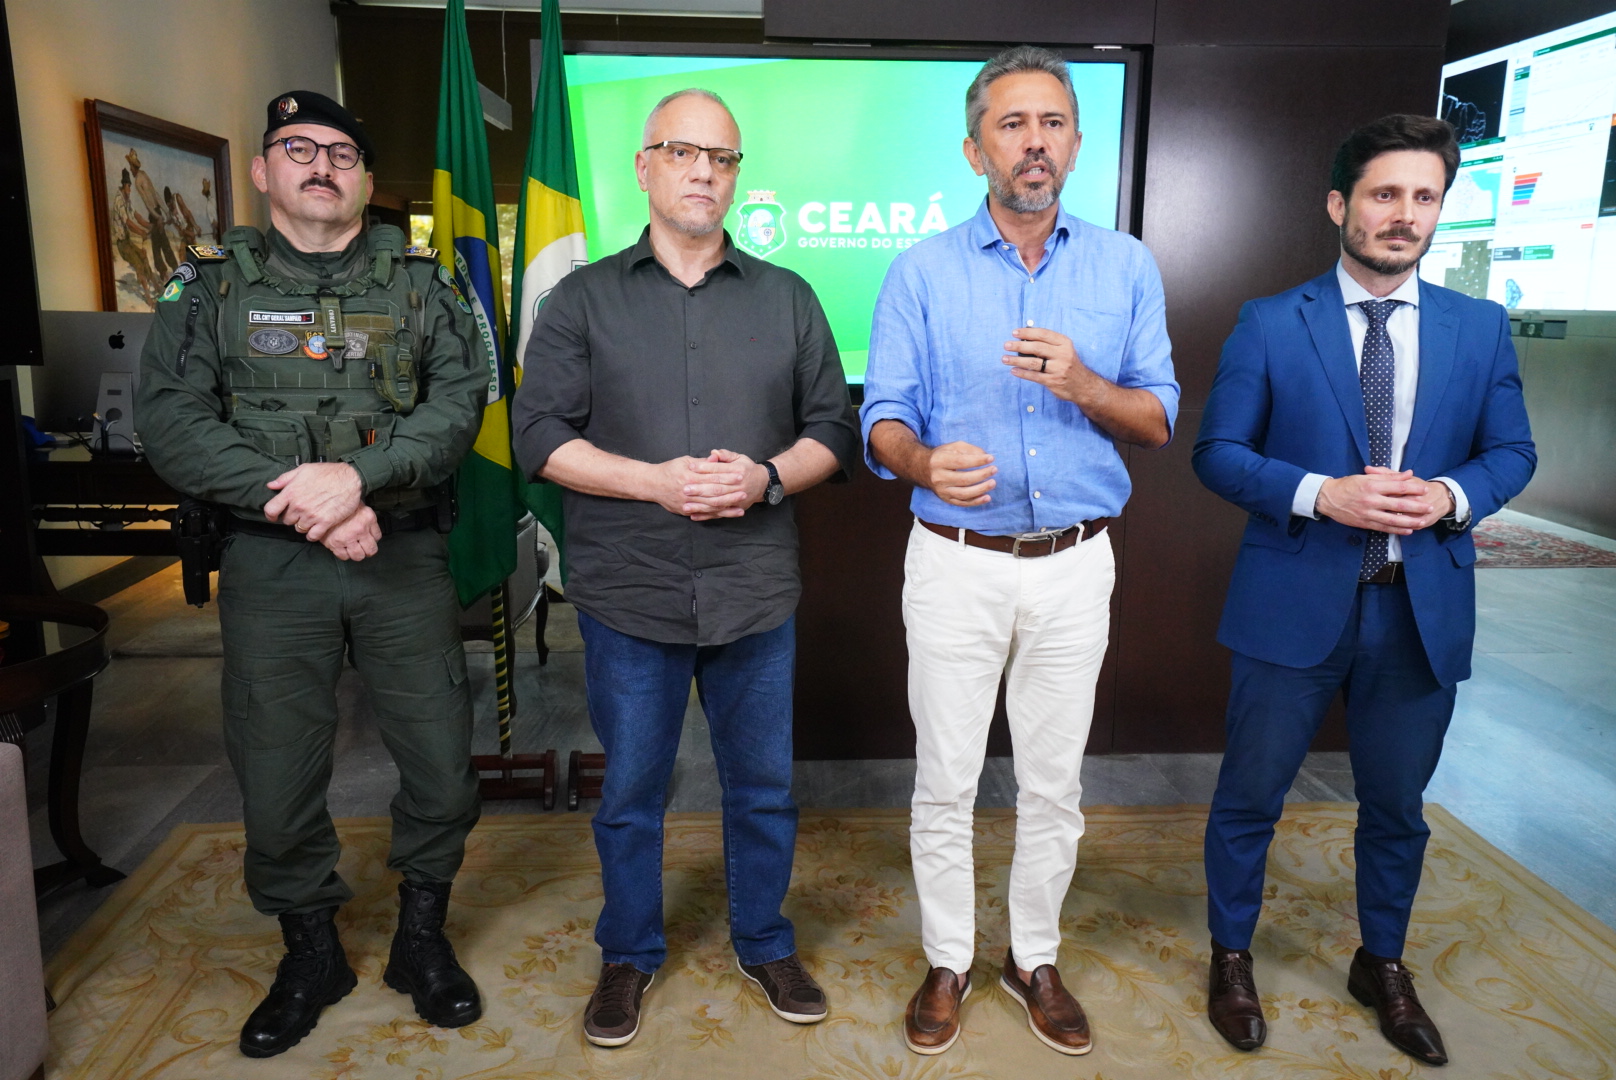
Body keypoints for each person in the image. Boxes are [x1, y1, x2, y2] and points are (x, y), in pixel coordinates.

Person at [136, 90, 491, 1058]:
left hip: (400, 554)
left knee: (440, 757)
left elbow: (458, 406)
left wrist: (358, 479)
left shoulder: (423, 282)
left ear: (367, 181)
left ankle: (421, 939)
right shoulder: (208, 287)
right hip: (271, 561)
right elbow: (170, 421)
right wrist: (303, 501)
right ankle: (310, 953)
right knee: (275, 764)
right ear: (262, 171)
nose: (321, 166)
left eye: (341, 153)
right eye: (298, 149)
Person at [511, 87, 859, 1048]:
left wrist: (765, 478)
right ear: (644, 167)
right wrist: (654, 483)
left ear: (737, 174)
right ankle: (628, 953)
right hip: (630, 593)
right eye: (681, 151)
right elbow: (538, 436)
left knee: (764, 789)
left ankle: (764, 941)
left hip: (755, 592)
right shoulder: (582, 300)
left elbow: (834, 429)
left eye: (722, 157)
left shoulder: (788, 297)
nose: (704, 170)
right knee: (630, 793)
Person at [1193, 114, 1535, 1066]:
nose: (1405, 215)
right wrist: (1322, 492)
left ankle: (1381, 961)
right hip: (1291, 603)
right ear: (1340, 205)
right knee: (1250, 797)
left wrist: (1453, 496)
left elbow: (1512, 452)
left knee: (1397, 809)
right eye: (1386, 194)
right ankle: (1231, 956)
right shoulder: (1272, 321)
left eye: (1425, 197)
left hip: (1419, 613)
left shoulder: (1479, 326)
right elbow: (1218, 452)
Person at [862, 46, 1179, 1058]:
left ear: (1076, 145)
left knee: (1053, 783)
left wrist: (1082, 382)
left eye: (1051, 124)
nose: (1033, 142)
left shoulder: (1125, 268)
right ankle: (948, 958)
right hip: (954, 560)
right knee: (945, 779)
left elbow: (1156, 420)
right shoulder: (920, 271)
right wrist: (920, 462)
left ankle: (1032, 956)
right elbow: (881, 416)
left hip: (1076, 564)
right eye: (1011, 124)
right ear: (974, 150)